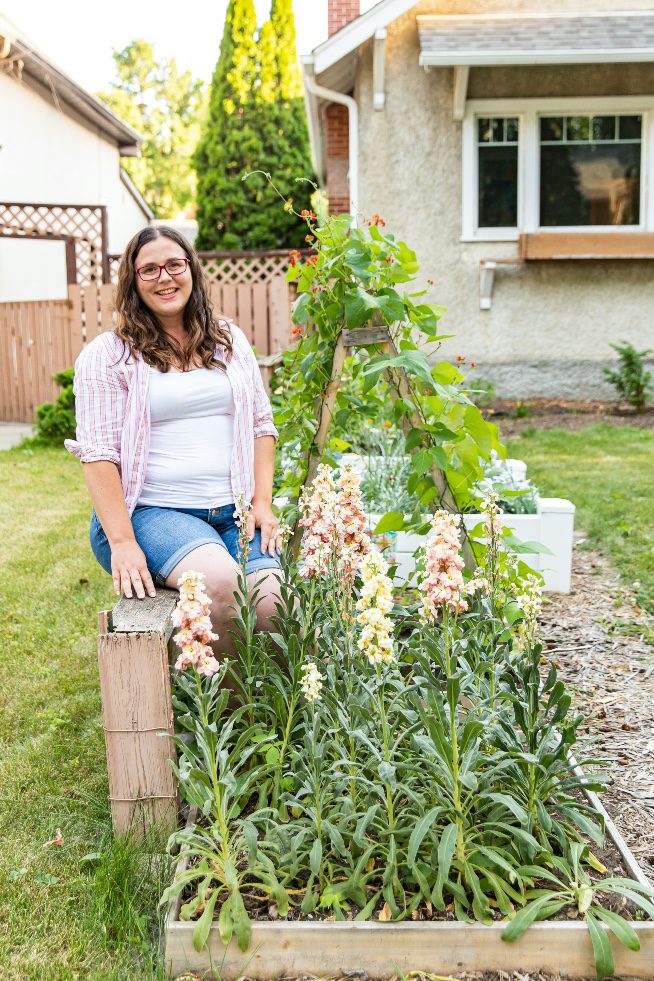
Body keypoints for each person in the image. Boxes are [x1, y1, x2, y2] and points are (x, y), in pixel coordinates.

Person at [65, 226, 283, 656]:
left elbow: (261, 424)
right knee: (218, 586)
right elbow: (99, 456)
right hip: (153, 512)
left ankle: (274, 707)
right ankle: (224, 711)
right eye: (149, 270)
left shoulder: (229, 341)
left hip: (234, 512)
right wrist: (124, 544)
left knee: (274, 601)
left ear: (191, 270)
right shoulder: (109, 355)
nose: (164, 278)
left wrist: (263, 502)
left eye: (173, 265)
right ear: (132, 282)